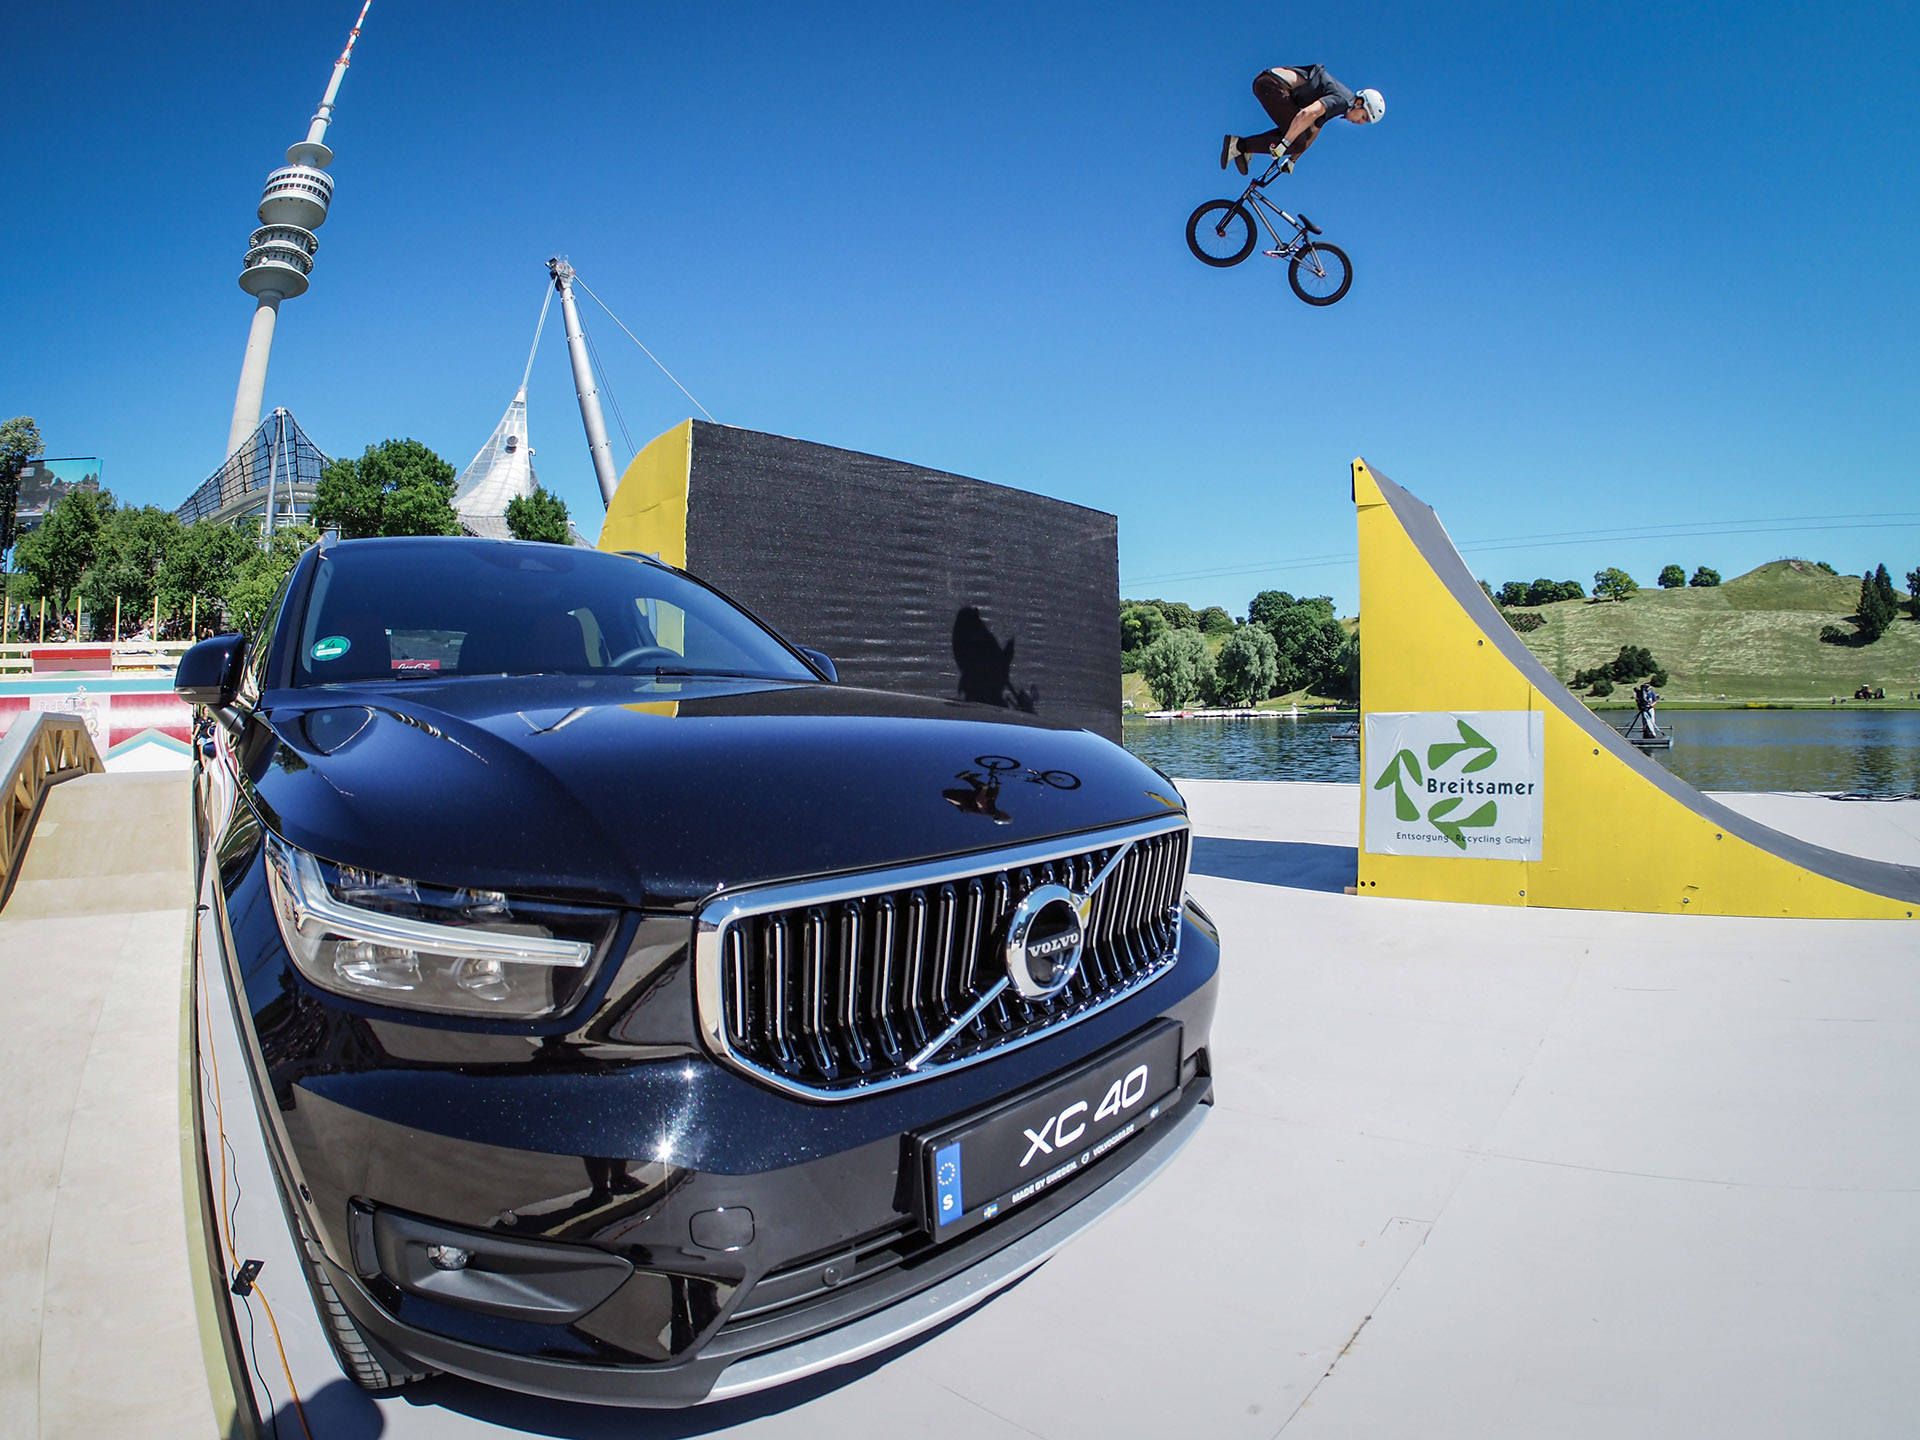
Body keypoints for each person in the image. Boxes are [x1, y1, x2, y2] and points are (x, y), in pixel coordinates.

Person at [1222, 65, 1384, 175]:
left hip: (1272, 86)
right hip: (1271, 86)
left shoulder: (1341, 104)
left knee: (1300, 138)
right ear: (1359, 102)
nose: (1361, 123)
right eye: (1364, 117)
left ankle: (1245, 147)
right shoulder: (1342, 100)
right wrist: (1286, 143)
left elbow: (1313, 130)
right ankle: (1239, 145)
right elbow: (1307, 114)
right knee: (1296, 139)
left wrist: (1293, 160)